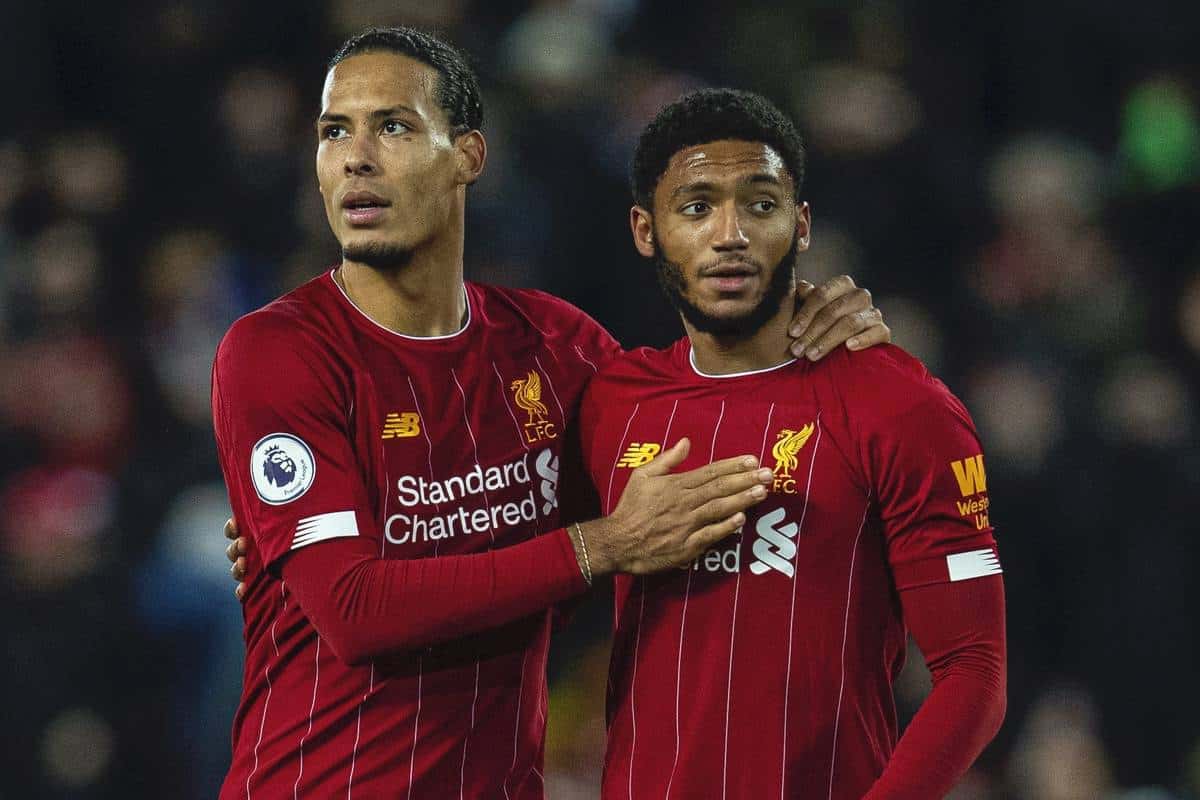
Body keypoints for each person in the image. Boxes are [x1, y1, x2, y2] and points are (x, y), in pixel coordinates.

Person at [212, 27, 891, 799]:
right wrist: (603, 545)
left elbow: (728, 461)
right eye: (336, 131)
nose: (356, 156)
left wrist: (821, 348)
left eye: (393, 126)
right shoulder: (276, 351)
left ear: (469, 155)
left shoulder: (558, 347)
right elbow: (355, 611)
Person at [575, 89, 1006, 799]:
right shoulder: (605, 402)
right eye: (696, 207)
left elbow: (975, 671)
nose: (730, 233)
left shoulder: (900, 406)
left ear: (800, 226)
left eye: (761, 204)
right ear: (645, 230)